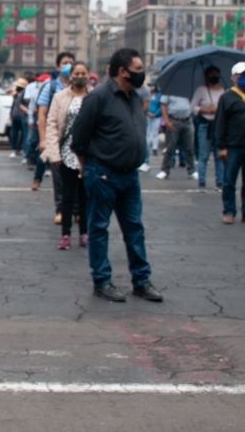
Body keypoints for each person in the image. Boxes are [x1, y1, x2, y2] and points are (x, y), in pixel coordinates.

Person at [71, 48, 163, 303]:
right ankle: (102, 281)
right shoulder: (98, 97)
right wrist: (87, 168)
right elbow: (79, 139)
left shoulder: (133, 97)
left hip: (129, 175)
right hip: (103, 173)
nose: (141, 74)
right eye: (137, 69)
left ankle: (141, 281)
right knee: (99, 228)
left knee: (134, 228)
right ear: (122, 72)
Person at [43, 61, 91, 250]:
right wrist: (53, 153)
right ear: (71, 76)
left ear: (88, 75)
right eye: (76, 73)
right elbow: (52, 124)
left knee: (86, 196)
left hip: (88, 154)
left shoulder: (94, 96)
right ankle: (65, 234)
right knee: (67, 196)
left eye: (83, 73)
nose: (80, 76)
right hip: (66, 153)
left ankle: (85, 233)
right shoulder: (60, 97)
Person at [215, 62, 245, 226]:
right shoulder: (227, 97)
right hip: (233, 146)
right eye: (242, 75)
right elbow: (220, 123)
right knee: (229, 181)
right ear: (233, 78)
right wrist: (222, 146)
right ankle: (229, 211)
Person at [36, 52, 75, 223]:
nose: (68, 66)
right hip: (56, 139)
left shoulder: (81, 87)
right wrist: (43, 139)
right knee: (58, 177)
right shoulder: (50, 87)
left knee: (77, 176)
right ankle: (60, 210)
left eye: (71, 63)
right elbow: (42, 114)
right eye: (65, 63)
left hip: (76, 140)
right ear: (58, 67)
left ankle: (77, 210)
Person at [191, 66, 226, 191]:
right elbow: (193, 107)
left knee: (219, 156)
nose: (214, 76)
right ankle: (202, 183)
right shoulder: (201, 90)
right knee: (203, 156)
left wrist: (218, 110)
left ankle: (220, 183)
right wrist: (204, 109)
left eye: (216, 74)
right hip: (205, 125)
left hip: (219, 127)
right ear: (206, 76)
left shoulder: (223, 91)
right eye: (211, 74)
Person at [156, 90, 196, 181]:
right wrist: (166, 121)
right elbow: (163, 105)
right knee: (170, 147)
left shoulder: (189, 90)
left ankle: (192, 170)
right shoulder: (169, 90)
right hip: (174, 120)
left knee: (189, 147)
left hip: (187, 120)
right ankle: (165, 170)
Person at [8, 78, 29, 157]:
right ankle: (15, 149)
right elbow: (13, 105)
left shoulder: (25, 93)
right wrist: (10, 114)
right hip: (16, 115)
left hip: (22, 115)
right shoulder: (16, 94)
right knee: (15, 134)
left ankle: (19, 149)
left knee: (23, 134)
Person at [144, 84, 162, 171]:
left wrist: (156, 114)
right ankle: (148, 145)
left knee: (155, 132)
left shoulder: (159, 96)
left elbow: (161, 107)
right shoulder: (147, 95)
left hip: (156, 116)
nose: (151, 88)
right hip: (148, 115)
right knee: (148, 132)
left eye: (152, 86)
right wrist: (148, 113)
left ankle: (155, 147)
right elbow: (145, 104)